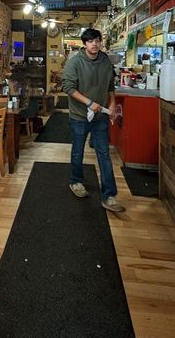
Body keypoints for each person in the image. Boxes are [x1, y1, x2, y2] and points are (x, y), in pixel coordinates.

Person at [61, 28, 124, 212]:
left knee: (103, 154)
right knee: (78, 151)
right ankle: (76, 181)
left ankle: (109, 195)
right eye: (90, 41)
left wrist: (112, 104)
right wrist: (89, 102)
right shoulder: (74, 62)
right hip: (80, 116)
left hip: (101, 116)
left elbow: (110, 85)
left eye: (97, 40)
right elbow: (68, 87)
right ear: (84, 43)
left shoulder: (105, 61)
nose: (94, 44)